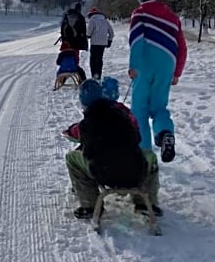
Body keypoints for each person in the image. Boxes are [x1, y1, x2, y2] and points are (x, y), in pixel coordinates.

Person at [62, 77, 161, 218]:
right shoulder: (123, 116)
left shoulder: (86, 124)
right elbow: (137, 138)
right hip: (135, 171)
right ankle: (146, 203)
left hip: (103, 174)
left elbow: (81, 137)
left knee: (72, 158)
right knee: (151, 157)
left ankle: (89, 205)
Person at [127, 0, 187, 163]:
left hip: (145, 65)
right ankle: (165, 133)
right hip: (166, 65)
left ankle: (144, 153)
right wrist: (176, 72)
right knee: (159, 107)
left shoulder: (140, 14)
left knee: (139, 109)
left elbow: (136, 40)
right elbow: (182, 47)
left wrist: (133, 66)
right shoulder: (173, 18)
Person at [85, 6, 114, 79]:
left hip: (95, 43)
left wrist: (88, 36)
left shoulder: (92, 20)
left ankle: (94, 76)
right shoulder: (105, 21)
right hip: (103, 43)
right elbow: (111, 32)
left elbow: (89, 33)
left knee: (93, 60)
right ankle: (98, 75)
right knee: (99, 59)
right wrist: (109, 40)